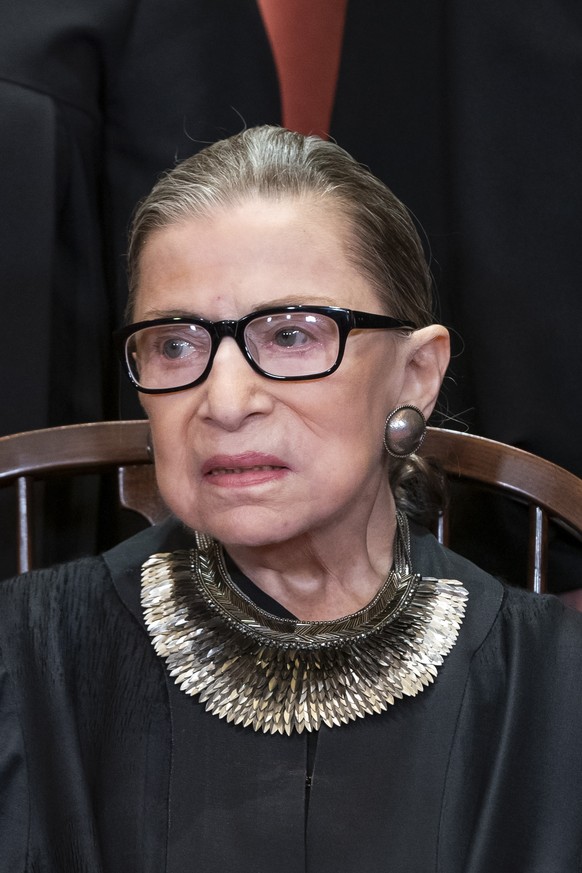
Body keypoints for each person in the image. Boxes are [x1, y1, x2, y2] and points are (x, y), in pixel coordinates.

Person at [1, 126, 581, 873]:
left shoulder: (556, 692)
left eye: (291, 334)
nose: (226, 399)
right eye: (175, 343)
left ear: (415, 373)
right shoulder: (23, 664)